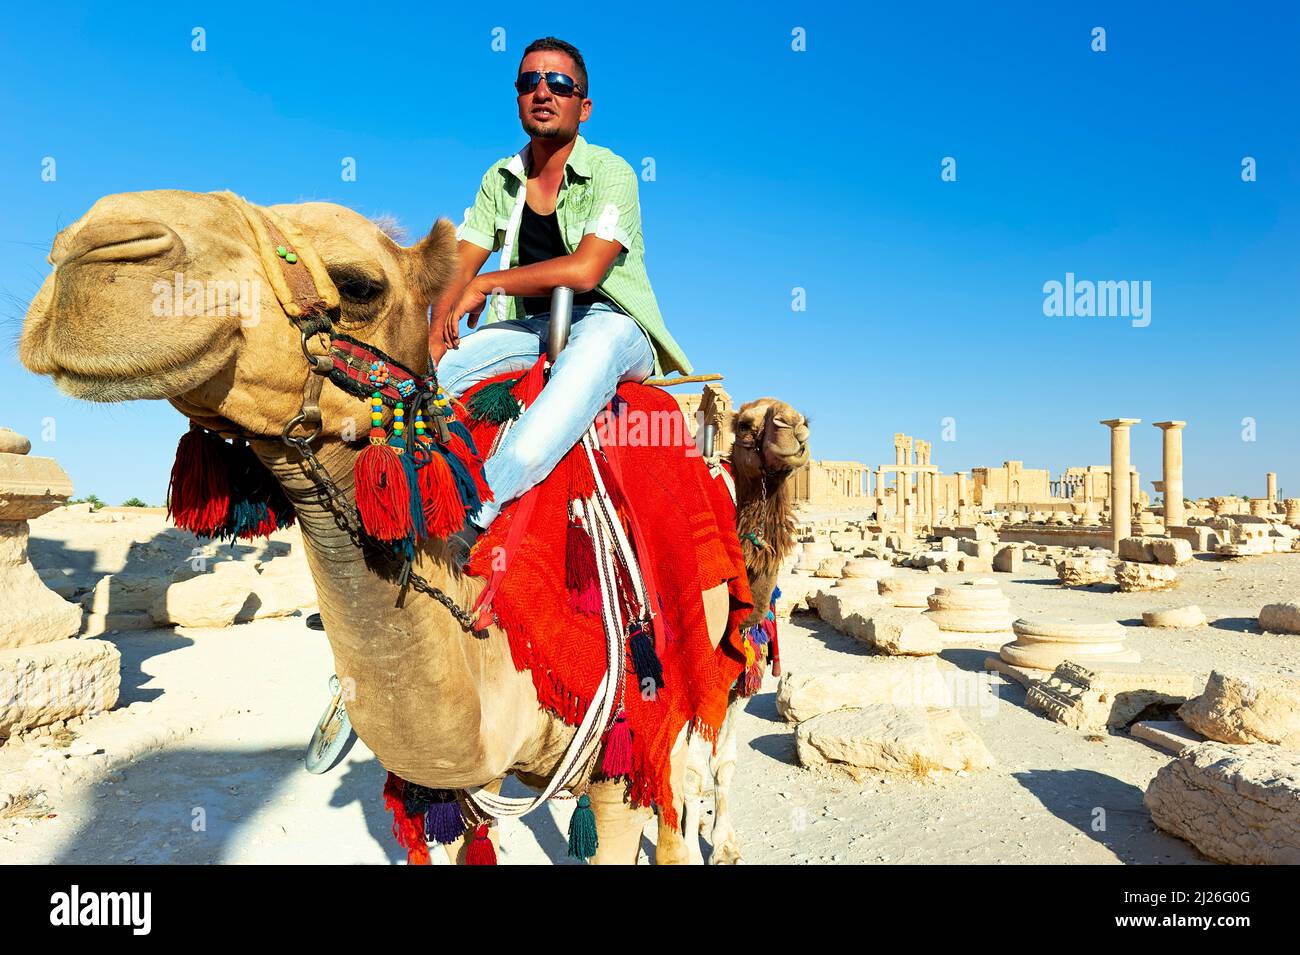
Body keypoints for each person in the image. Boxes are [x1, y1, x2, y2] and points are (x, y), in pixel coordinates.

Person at [430, 36, 692, 568]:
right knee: (432, 377)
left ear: (584, 106)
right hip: (534, 324)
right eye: (530, 82)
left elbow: (585, 268)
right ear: (518, 98)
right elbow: (457, 265)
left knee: (569, 389)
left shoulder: (612, 172)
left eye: (559, 84)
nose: (543, 92)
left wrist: (485, 287)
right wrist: (436, 327)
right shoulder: (500, 179)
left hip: (612, 323)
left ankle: (477, 510)